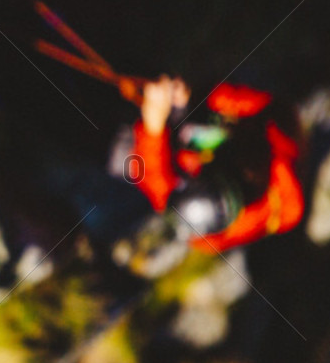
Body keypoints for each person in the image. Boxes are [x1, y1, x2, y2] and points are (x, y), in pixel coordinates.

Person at [122, 75, 304, 255]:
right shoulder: (280, 166)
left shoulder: (201, 228)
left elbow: (158, 186)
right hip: (236, 126)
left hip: (191, 143)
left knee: (121, 156)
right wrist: (198, 96)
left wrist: (153, 127)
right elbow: (269, 107)